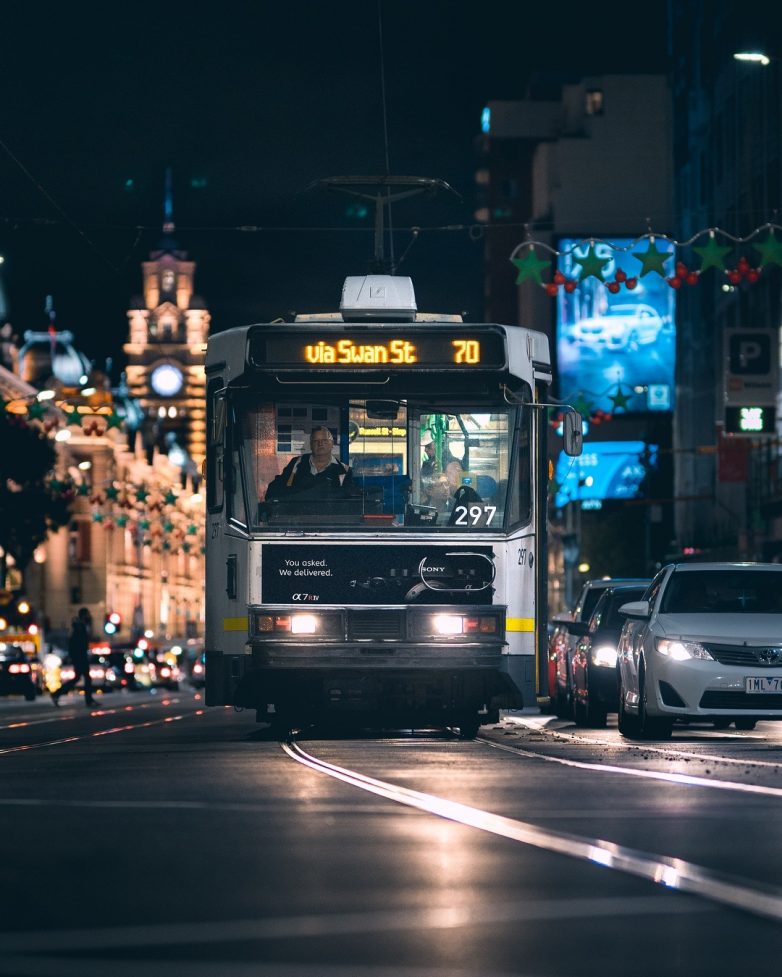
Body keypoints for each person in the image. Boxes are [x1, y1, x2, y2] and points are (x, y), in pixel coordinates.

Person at [265, 426, 354, 499]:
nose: (320, 444)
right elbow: (273, 490)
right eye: (316, 441)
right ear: (311, 445)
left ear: (332, 444)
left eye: (324, 440)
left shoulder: (344, 471)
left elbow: (346, 501)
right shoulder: (296, 464)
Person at [51, 607, 98, 708]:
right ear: (83, 615)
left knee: (81, 678)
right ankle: (57, 694)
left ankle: (57, 694)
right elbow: (75, 643)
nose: (89, 616)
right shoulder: (79, 627)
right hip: (80, 656)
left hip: (80, 656)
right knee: (84, 678)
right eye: (87, 614)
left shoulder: (81, 626)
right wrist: (76, 655)